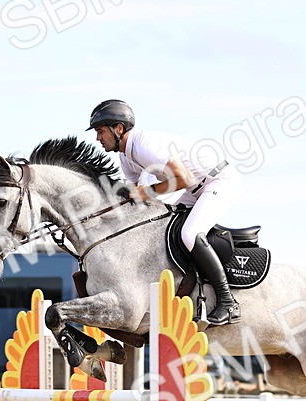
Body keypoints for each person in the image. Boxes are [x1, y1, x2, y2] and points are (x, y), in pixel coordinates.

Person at [87, 99, 242, 326]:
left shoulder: (144, 145)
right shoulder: (126, 158)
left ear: (118, 128)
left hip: (217, 181)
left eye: (101, 131)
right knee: (164, 228)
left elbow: (182, 179)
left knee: (189, 234)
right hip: (194, 189)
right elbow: (137, 198)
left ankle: (228, 303)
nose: (98, 138)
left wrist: (146, 192)